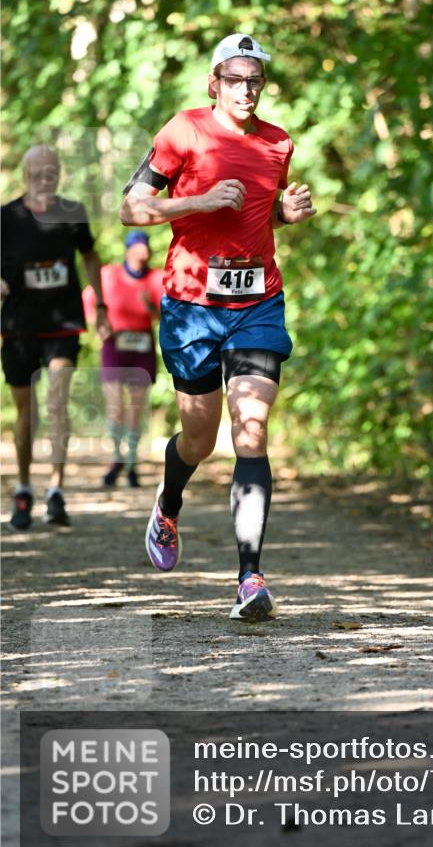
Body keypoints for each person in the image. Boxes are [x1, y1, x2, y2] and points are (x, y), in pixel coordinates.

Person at [120, 32, 315, 621]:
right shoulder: (183, 131)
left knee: (251, 430)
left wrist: (288, 212)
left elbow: (259, 214)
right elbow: (131, 207)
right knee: (200, 440)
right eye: (235, 79)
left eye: (255, 80)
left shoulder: (278, 143)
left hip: (258, 303)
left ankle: (250, 579)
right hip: (191, 307)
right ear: (214, 83)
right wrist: (197, 202)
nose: (247, 90)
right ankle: (169, 500)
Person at [1, 144, 110, 529]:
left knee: (58, 400)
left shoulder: (72, 213)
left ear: (59, 175)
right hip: (17, 326)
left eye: (51, 172)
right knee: (26, 410)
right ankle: (25, 486)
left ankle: (56, 490)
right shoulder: (6, 217)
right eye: (37, 173)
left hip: (63, 322)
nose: (44, 179)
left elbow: (91, 256)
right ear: (25, 176)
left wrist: (100, 307)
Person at [82, 230, 164, 489]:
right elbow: (88, 301)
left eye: (146, 245)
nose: (143, 251)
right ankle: (116, 458)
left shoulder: (156, 279)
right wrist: (99, 325)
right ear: (128, 249)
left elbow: (164, 316)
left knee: (135, 409)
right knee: (115, 406)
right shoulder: (109, 275)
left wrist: (149, 306)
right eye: (138, 245)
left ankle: (131, 463)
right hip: (115, 345)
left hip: (142, 346)